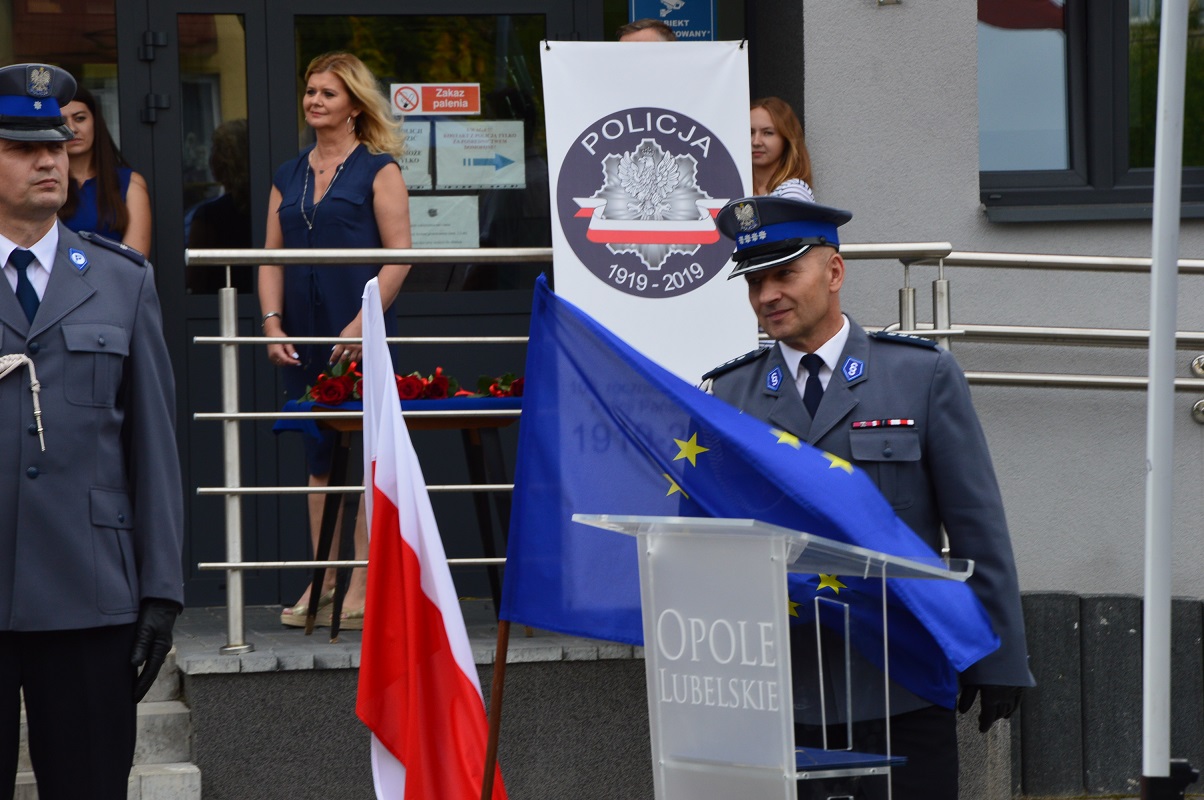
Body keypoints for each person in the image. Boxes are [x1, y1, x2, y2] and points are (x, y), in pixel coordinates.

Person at [703, 195, 1033, 800]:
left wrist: (1000, 654)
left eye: (783, 273)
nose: (766, 295)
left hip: (899, 679)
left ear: (834, 271)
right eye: (753, 280)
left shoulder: (920, 375)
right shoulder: (731, 396)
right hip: (783, 689)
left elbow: (976, 523)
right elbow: (706, 549)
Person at [0, 64, 183, 799]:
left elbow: (153, 449)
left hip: (89, 593)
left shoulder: (121, 280)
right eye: (21, 146)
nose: (50, 160)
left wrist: (162, 590)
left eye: (58, 144)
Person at [258, 52, 412, 630]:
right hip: (302, 336)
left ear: (353, 105)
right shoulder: (287, 173)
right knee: (318, 456)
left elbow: (400, 256)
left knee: (368, 453)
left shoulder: (380, 169)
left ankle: (365, 584)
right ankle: (322, 579)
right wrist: (271, 323)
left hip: (360, 334)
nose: (314, 101)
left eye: (327, 93)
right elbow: (270, 256)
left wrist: (360, 323)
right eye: (310, 91)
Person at [57, 86, 153, 255]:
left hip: (116, 280)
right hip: (55, 281)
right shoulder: (43, 182)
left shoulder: (130, 183)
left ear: (95, 121)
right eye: (62, 122)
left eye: (80, 118)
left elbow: (134, 265)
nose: (72, 128)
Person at [187, 118, 252, 293]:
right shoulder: (271, 205)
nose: (210, 157)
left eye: (215, 149)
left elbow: (194, 279)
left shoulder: (208, 215)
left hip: (216, 309)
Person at [750, 96, 815, 203]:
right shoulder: (736, 187)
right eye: (750, 132)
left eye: (767, 133)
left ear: (786, 139)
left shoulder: (793, 191)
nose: (756, 142)